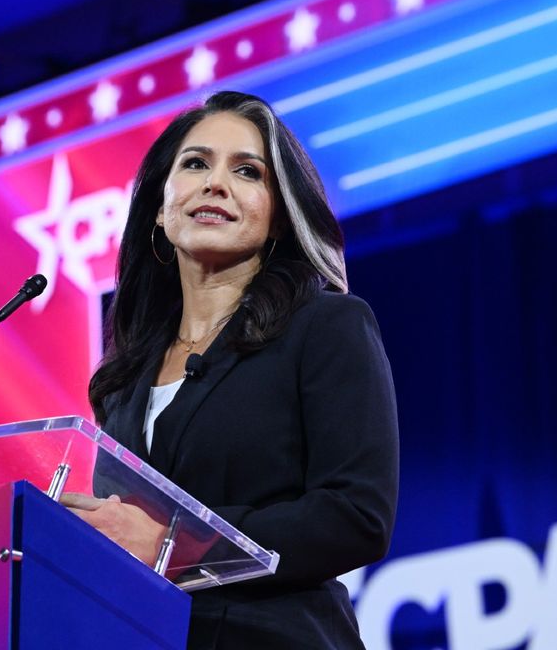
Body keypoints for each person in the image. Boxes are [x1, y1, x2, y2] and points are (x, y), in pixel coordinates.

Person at [63, 91, 398, 649]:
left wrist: (171, 540)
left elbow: (356, 516)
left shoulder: (325, 326)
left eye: (247, 171)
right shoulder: (125, 381)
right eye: (195, 163)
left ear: (278, 219)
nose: (215, 183)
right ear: (161, 207)